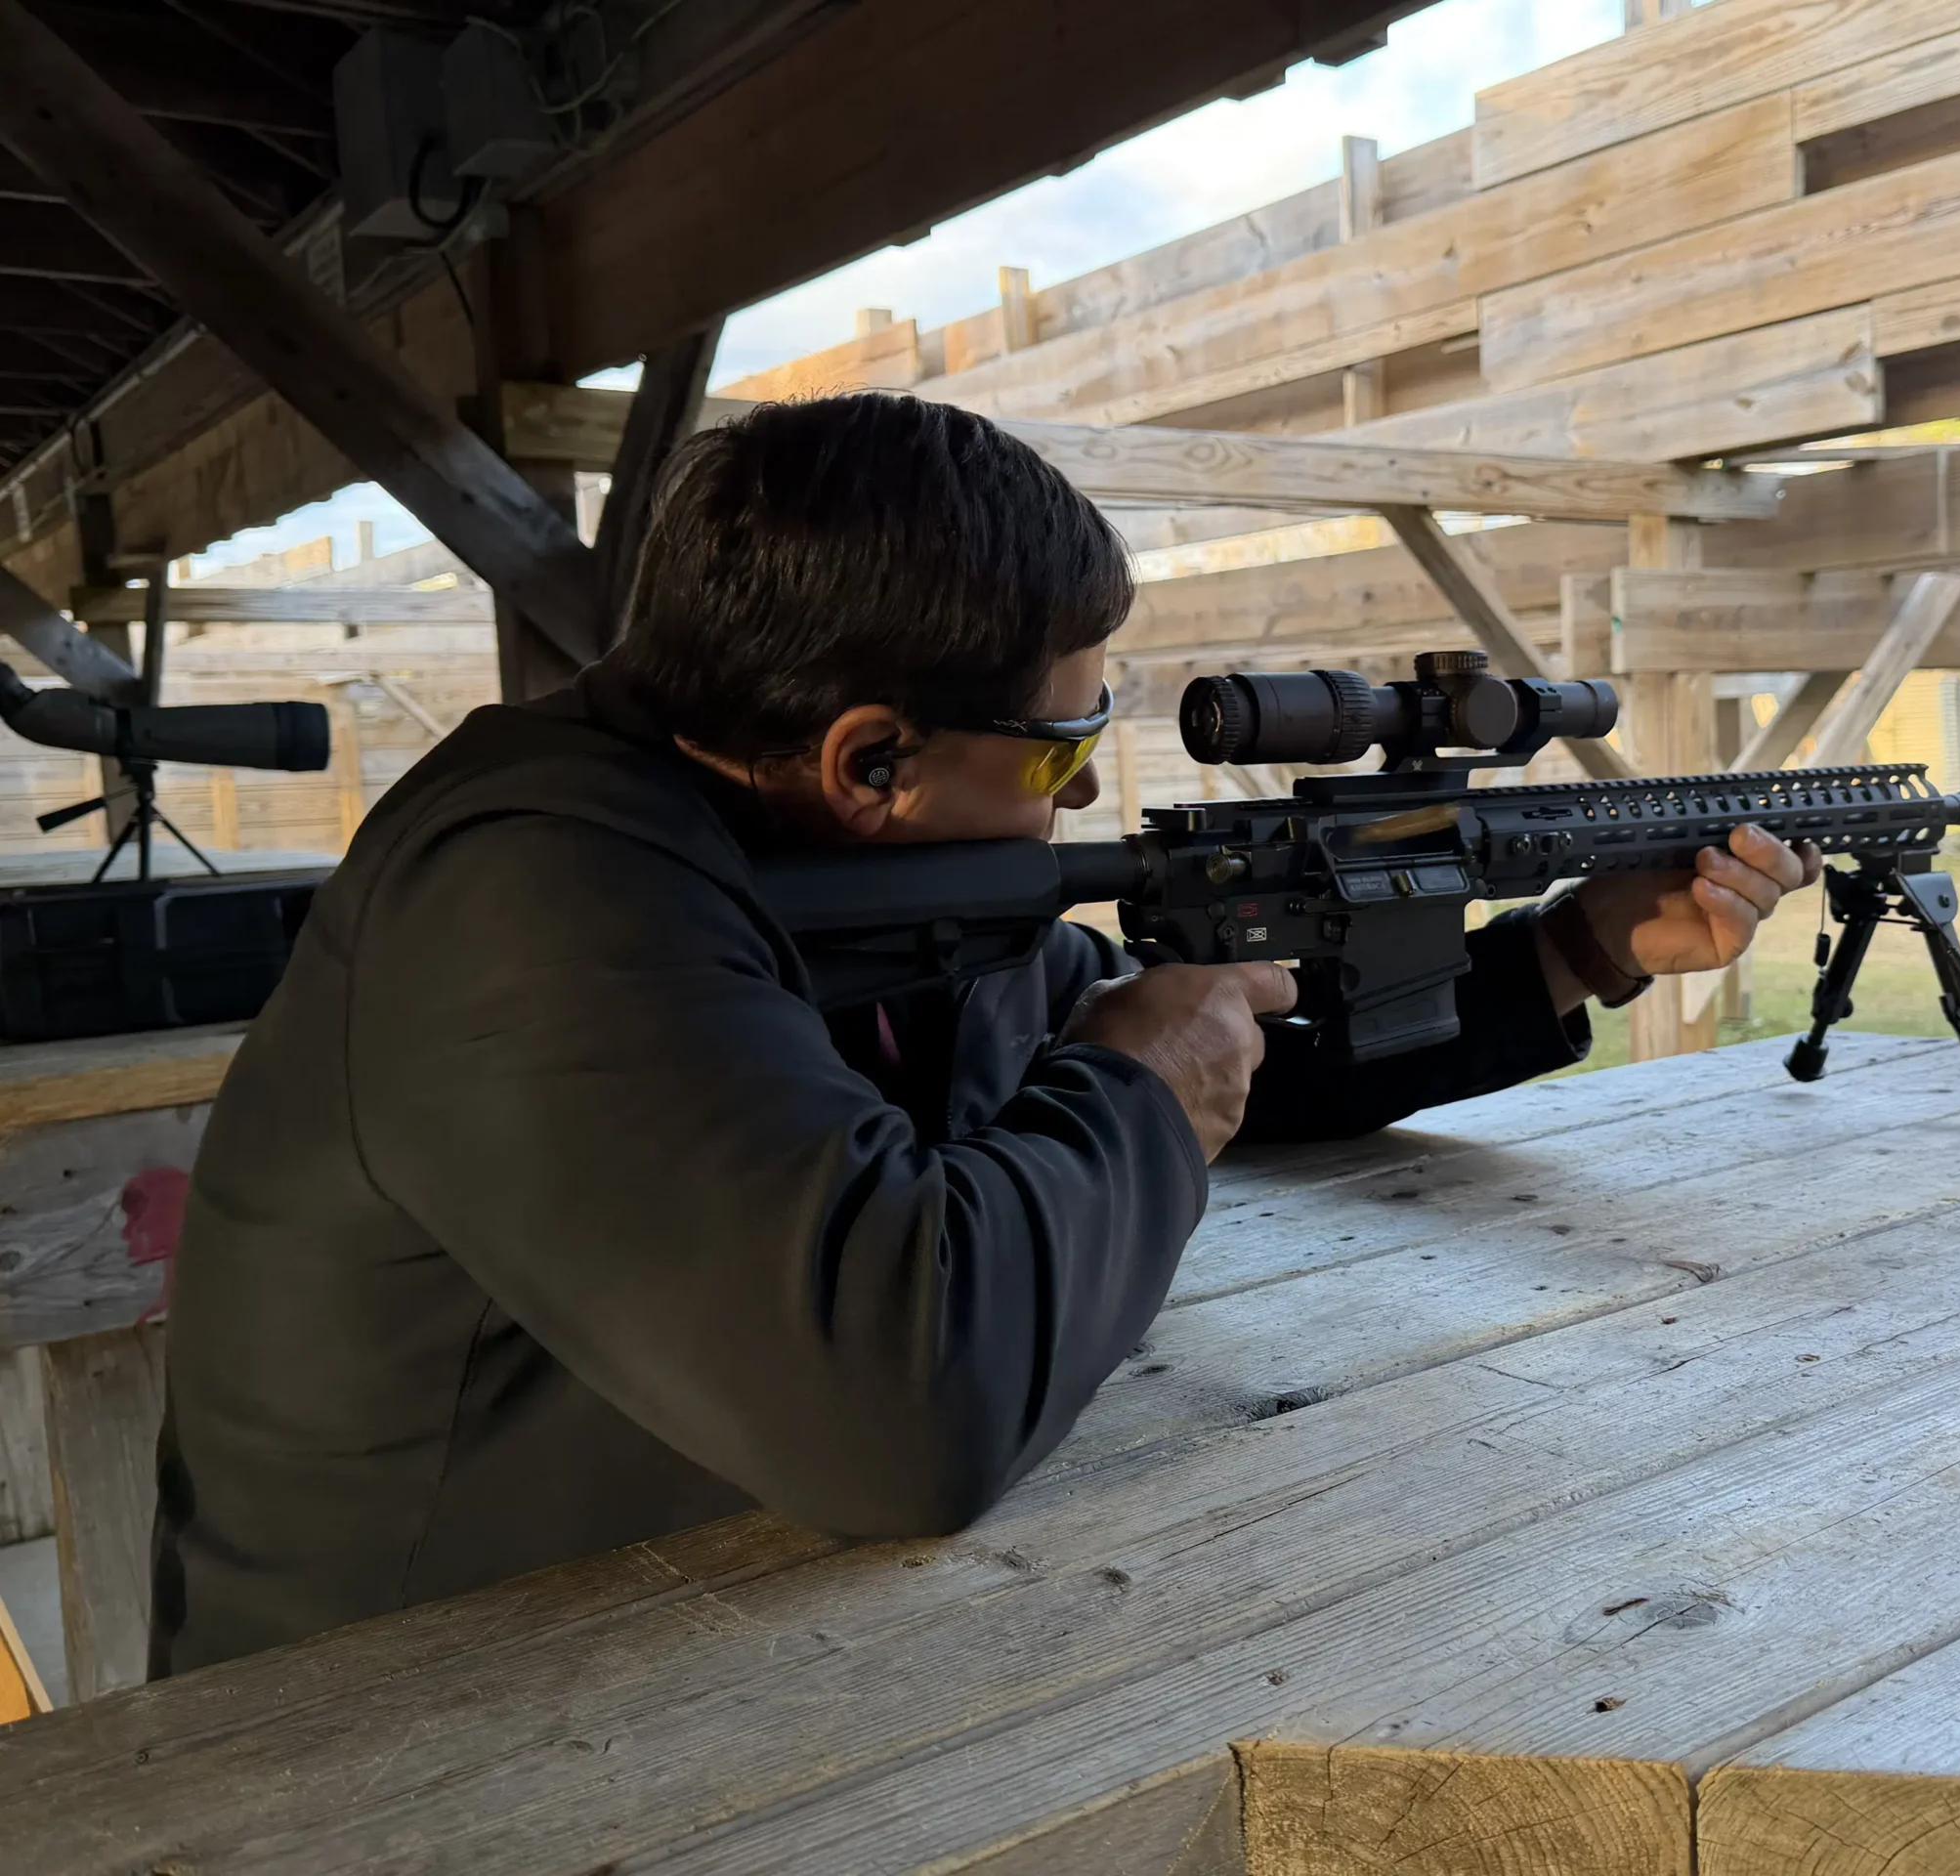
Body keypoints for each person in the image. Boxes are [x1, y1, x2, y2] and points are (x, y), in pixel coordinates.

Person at [150, 394, 1816, 1675]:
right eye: (1056, 754)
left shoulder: (827, 861)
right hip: (401, 1719)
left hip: (710, 1635)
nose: (1076, 800)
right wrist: (1138, 1086)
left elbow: (1228, 1061)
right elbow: (899, 1407)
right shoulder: (534, 893)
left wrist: (1573, 951)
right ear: (871, 759)